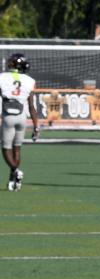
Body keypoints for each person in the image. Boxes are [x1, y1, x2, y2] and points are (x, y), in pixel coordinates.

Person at [0, 52, 38, 191]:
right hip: (22, 117)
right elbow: (32, 107)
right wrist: (36, 127)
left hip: (8, 116)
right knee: (17, 148)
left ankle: (15, 170)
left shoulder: (2, 77)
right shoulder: (30, 80)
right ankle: (13, 180)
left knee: (5, 148)